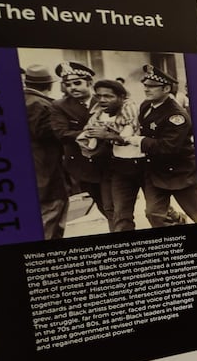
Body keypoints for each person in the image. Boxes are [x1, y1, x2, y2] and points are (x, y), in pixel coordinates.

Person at [134, 64, 197, 226]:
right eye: (145, 85)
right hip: (155, 171)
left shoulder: (176, 115)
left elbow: (168, 147)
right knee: (154, 214)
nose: (146, 89)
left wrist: (140, 141)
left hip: (179, 173)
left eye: (152, 86)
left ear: (166, 89)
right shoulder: (146, 106)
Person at [79, 78, 145, 232]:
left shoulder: (130, 110)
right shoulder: (97, 115)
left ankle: (174, 220)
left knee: (156, 211)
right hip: (117, 168)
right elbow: (86, 137)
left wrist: (107, 135)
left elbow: (127, 138)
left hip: (143, 165)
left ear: (122, 97)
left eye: (108, 96)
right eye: (99, 96)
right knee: (117, 213)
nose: (102, 100)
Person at [50, 60, 107, 220]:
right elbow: (61, 133)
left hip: (110, 162)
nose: (72, 87)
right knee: (104, 206)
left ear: (89, 83)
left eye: (77, 83)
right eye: (68, 84)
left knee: (118, 207)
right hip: (83, 165)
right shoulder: (60, 106)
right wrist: (91, 133)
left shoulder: (104, 100)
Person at [23, 63, 68, 239]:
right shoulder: (42, 104)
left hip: (31, 172)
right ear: (49, 85)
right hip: (46, 172)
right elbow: (46, 133)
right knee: (51, 220)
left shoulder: (17, 99)